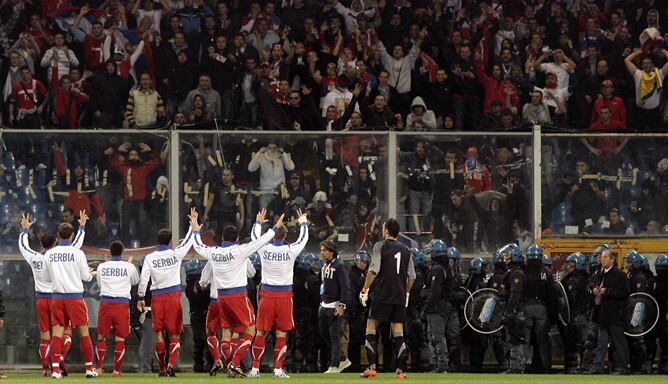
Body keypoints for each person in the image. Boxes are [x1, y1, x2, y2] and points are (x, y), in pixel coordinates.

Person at [190, 208, 284, 377]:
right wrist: (273, 227)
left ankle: (229, 365)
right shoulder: (240, 251)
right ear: (238, 239)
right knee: (250, 330)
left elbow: (198, 246)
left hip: (221, 298)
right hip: (238, 296)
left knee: (226, 332)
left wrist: (195, 229)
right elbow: (261, 241)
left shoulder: (214, 253)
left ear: (222, 239)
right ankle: (234, 363)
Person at [19, 213, 85, 376]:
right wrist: (82, 227)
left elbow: (23, 246)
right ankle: (59, 357)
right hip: (58, 298)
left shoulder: (34, 257)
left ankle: (46, 368)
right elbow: (75, 244)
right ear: (56, 242)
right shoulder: (57, 256)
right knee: (66, 333)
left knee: (45, 335)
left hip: (41, 299)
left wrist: (25, 230)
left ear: (41, 244)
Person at [248, 209, 309, 378]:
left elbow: (254, 237)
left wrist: (258, 222)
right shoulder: (291, 250)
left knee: (261, 331)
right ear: (285, 236)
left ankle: (254, 369)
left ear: (273, 235)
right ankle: (277, 369)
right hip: (284, 296)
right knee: (281, 333)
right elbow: (304, 239)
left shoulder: (264, 248)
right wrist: (303, 222)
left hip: (267, 295)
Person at [137, 209, 198, 377]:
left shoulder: (150, 257)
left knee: (159, 333)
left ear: (157, 241)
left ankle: (162, 368)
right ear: (170, 241)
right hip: (173, 297)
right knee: (175, 333)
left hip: (157, 298)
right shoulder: (175, 254)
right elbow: (187, 243)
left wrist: (141, 297)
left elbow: (144, 279)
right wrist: (193, 226)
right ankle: (171, 364)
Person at [359, 218, 416, 379]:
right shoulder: (406, 250)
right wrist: (406, 293)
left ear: (385, 231)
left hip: (382, 294)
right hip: (398, 296)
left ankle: (371, 367)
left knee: (371, 327)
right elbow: (412, 276)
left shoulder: (379, 246)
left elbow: (373, 270)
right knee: (398, 331)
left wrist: (365, 289)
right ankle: (400, 371)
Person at [43, 213, 96, 378]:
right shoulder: (78, 253)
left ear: (58, 236)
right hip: (75, 298)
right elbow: (86, 277)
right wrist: (91, 274)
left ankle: (56, 370)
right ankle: (89, 369)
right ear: (72, 236)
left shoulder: (49, 254)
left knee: (57, 334)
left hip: (57, 298)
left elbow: (45, 278)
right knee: (84, 333)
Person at [94, 240, 139, 377]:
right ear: (123, 251)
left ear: (109, 251)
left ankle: (99, 369)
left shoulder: (102, 267)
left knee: (101, 336)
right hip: (122, 304)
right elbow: (135, 282)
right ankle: (116, 371)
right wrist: (128, 266)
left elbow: (100, 284)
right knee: (120, 338)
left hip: (106, 303)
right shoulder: (129, 267)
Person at [588, 248, 630, 374]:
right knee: (601, 343)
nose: (602, 259)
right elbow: (590, 284)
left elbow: (625, 293)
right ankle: (597, 367)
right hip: (602, 313)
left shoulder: (620, 274)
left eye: (605, 257)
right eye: (601, 257)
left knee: (619, 342)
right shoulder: (599, 273)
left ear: (612, 259)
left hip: (615, 314)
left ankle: (623, 367)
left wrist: (608, 291)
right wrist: (593, 290)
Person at [318, 240, 352, 374]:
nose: (321, 253)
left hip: (334, 305)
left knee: (334, 336)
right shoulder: (324, 265)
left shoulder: (340, 266)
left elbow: (345, 287)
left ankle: (334, 365)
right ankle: (342, 358)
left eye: (324, 250)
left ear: (331, 252)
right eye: (321, 250)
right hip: (324, 304)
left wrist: (342, 304)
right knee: (324, 334)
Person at [523, 244, 556, 373]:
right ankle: (545, 367)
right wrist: (552, 316)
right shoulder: (546, 272)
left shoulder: (523, 270)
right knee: (543, 340)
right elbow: (552, 296)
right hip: (541, 308)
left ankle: (521, 366)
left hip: (526, 307)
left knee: (524, 340)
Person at [560, 252, 594, 374]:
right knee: (585, 343)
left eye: (571, 265)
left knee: (573, 344)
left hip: (575, 315)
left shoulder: (571, 280)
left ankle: (571, 368)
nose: (567, 267)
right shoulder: (589, 279)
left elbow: (567, 299)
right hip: (585, 315)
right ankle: (585, 367)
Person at [424, 240, 454, 373]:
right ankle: (440, 364)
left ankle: (441, 365)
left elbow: (435, 291)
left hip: (437, 307)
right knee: (436, 336)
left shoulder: (437, 269)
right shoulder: (446, 268)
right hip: (444, 306)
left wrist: (426, 307)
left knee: (437, 336)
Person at [499, 243, 526, 374]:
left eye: (507, 256)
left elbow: (515, 293)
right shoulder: (513, 272)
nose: (505, 258)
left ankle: (516, 367)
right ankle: (516, 366)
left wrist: (509, 311)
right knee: (514, 338)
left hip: (517, 310)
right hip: (516, 309)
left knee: (515, 338)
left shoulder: (516, 273)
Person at [184, 259, 212, 373]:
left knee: (198, 340)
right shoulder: (200, 284)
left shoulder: (189, 286)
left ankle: (199, 365)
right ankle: (208, 364)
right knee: (206, 339)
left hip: (196, 315)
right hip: (205, 313)